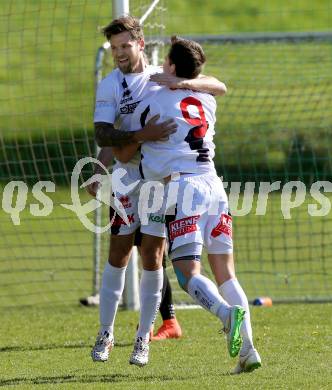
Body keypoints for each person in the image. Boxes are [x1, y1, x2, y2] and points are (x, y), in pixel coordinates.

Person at [90, 16, 227, 367]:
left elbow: (215, 85)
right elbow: (105, 135)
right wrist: (100, 166)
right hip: (124, 177)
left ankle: (143, 339)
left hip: (158, 182)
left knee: (152, 256)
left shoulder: (160, 81)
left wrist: (181, 80)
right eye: (114, 47)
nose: (119, 53)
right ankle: (105, 333)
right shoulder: (110, 85)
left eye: (125, 45)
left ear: (140, 43)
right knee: (118, 252)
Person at [127, 36, 262, 373]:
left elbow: (131, 140)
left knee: (188, 274)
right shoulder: (206, 97)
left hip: (184, 188)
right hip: (214, 186)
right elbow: (218, 84)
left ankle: (225, 314)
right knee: (226, 273)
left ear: (170, 66)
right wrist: (184, 79)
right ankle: (248, 351)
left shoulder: (153, 100)